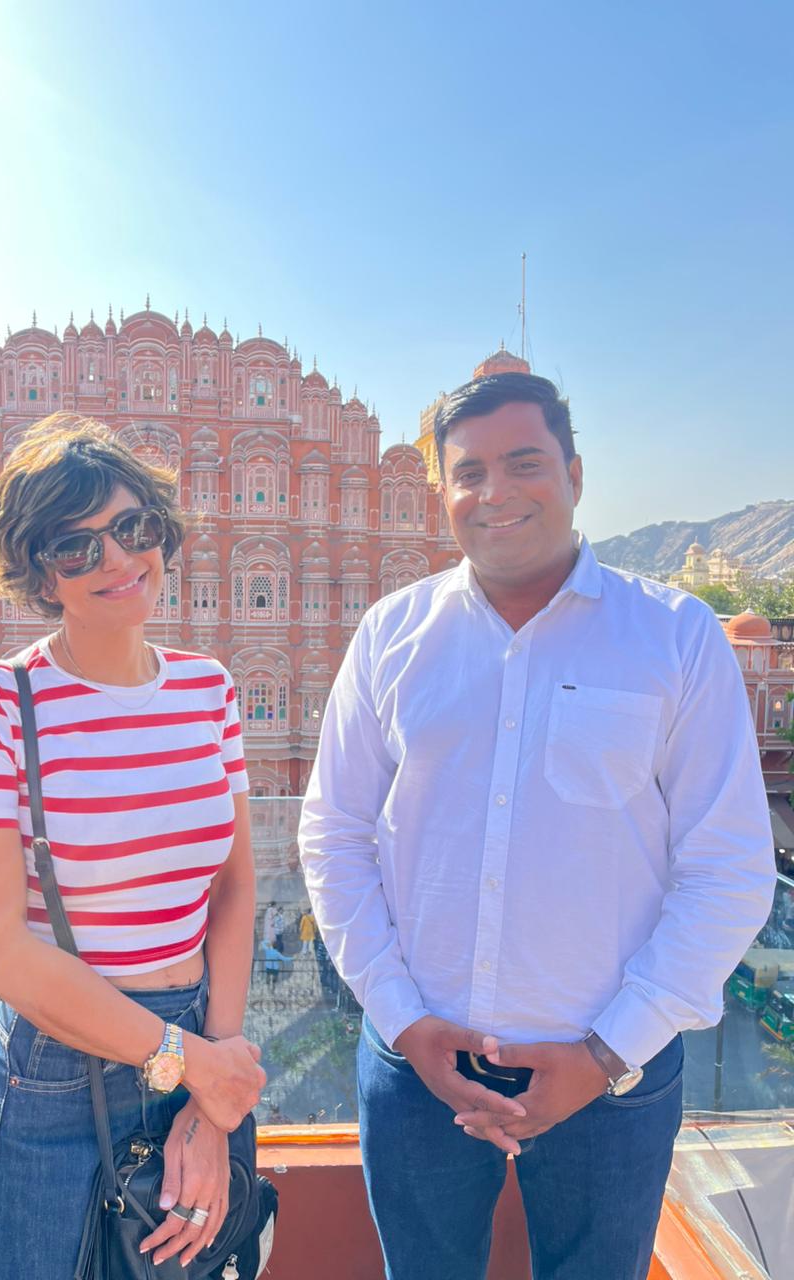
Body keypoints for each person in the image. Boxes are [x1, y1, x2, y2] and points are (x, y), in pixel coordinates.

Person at [298, 372, 776, 1280]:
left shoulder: (674, 636)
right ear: (442, 492)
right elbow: (333, 834)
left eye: (524, 463)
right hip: (419, 1068)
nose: (496, 492)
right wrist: (403, 1021)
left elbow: (728, 868)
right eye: (469, 472)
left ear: (575, 474)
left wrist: (605, 1053)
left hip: (613, 1075)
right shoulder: (393, 635)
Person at [0, 415, 265, 1280]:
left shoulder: (208, 689)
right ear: (42, 572)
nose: (116, 559)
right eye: (76, 547)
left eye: (132, 528)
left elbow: (233, 888)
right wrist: (190, 1064)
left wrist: (212, 1093)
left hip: (203, 1042)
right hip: (59, 1069)